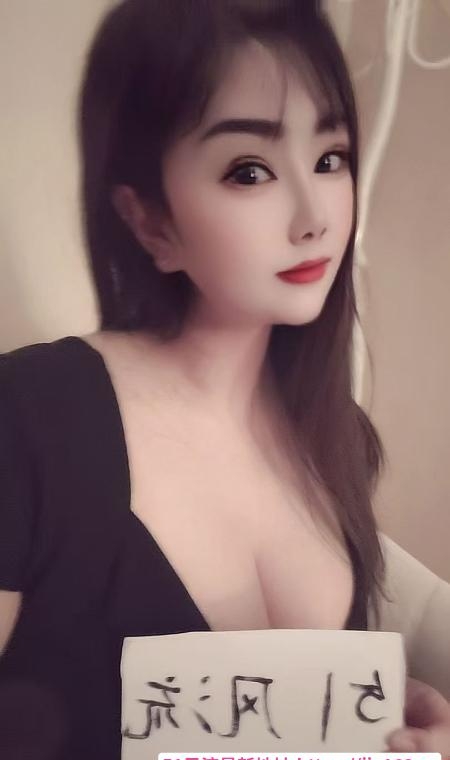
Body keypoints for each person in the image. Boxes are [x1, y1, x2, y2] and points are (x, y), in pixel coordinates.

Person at [0, 1, 448, 758]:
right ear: (150, 221)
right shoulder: (29, 418)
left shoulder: (334, 436)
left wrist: (405, 738)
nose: (315, 217)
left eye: (330, 158)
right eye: (250, 171)